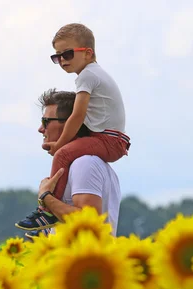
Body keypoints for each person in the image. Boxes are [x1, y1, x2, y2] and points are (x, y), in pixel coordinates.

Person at [15, 22, 130, 231]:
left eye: (66, 54)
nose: (61, 61)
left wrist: (46, 198)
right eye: (56, 57)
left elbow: (77, 115)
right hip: (111, 139)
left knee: (63, 155)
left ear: (87, 53)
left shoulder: (85, 163)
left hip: (108, 139)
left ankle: (44, 214)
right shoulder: (93, 75)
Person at [24, 89, 122, 238]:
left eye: (46, 121)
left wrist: (45, 196)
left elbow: (88, 221)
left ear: (71, 124)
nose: (41, 129)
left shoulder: (85, 163)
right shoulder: (89, 163)